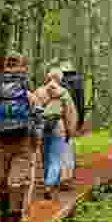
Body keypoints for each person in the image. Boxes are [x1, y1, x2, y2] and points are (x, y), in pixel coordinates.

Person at [0, 53, 39, 222]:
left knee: (3, 180)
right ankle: (15, 220)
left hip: (0, 143)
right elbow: (38, 118)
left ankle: (4, 216)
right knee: (17, 181)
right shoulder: (28, 96)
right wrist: (36, 141)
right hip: (23, 143)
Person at [33, 68, 78, 201]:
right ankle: (49, 184)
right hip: (58, 127)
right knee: (56, 158)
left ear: (48, 78)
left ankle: (48, 181)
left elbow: (33, 110)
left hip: (42, 126)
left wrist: (34, 129)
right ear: (60, 79)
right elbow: (70, 114)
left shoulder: (39, 92)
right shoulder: (64, 93)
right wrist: (70, 131)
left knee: (45, 156)